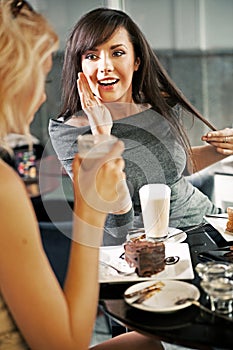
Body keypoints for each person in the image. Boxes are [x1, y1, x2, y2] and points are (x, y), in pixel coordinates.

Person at [0, 1, 164, 349]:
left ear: (137, 62)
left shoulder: (154, 112)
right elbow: (66, 344)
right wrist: (90, 208)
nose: (42, 93)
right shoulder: (8, 183)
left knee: (147, 344)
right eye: (40, 76)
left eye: (117, 52)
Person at [49, 7, 233, 245]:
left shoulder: (158, 105)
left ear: (136, 61)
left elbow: (171, 166)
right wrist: (102, 135)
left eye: (117, 52)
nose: (105, 65)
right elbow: (118, 222)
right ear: (80, 66)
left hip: (208, 223)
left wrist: (223, 149)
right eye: (92, 56)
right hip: (145, 248)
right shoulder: (69, 132)